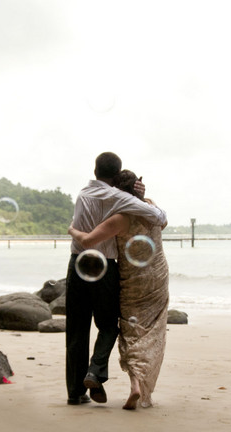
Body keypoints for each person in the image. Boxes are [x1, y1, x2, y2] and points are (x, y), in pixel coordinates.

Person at [65, 153, 167, 406]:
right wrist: (140, 195)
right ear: (117, 174)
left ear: (95, 169)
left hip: (77, 263)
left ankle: (75, 393)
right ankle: (95, 371)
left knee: (77, 330)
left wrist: (71, 230)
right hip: (104, 267)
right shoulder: (118, 197)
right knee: (109, 325)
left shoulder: (82, 194)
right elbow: (159, 218)